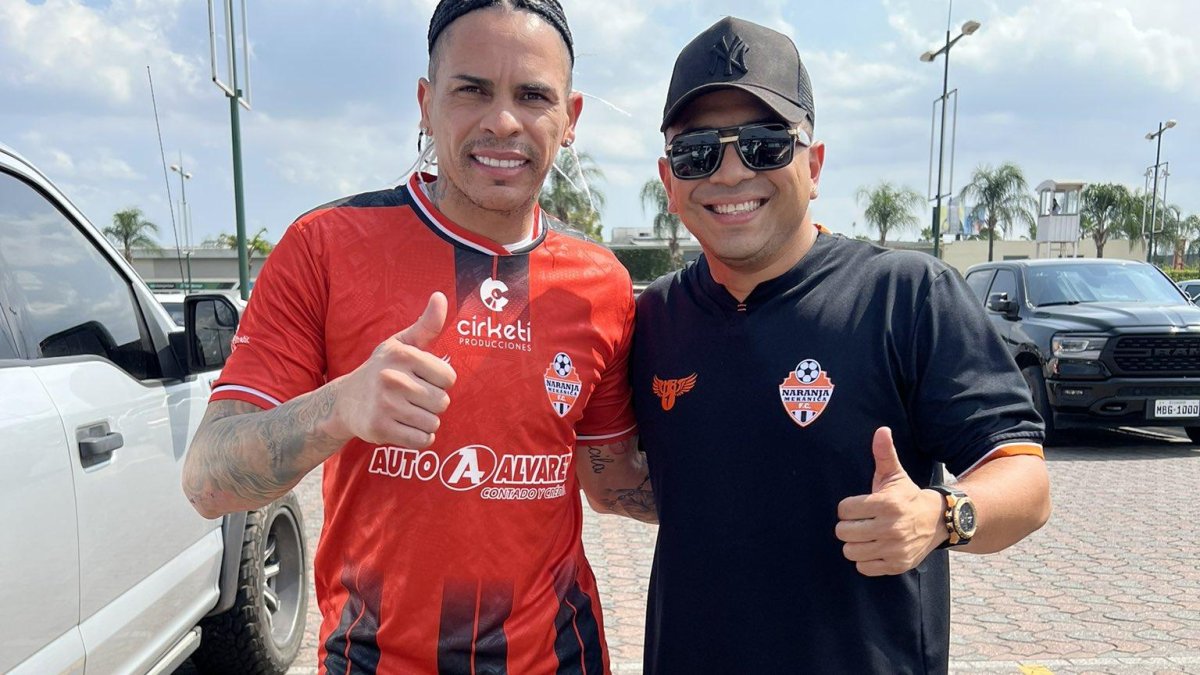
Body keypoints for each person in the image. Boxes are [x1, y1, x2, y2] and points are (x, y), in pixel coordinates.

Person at [181, 1, 655, 672]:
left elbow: (611, 482)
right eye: (472, 90)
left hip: (561, 657)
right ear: (426, 105)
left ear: (570, 118)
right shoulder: (326, 246)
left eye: (532, 96)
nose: (503, 121)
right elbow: (208, 480)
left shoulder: (600, 283)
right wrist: (339, 408)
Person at [630, 16, 1051, 674]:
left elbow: (1027, 481)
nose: (731, 172)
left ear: (814, 164)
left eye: (766, 145)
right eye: (698, 152)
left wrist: (939, 515)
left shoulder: (906, 296)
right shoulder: (652, 317)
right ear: (669, 178)